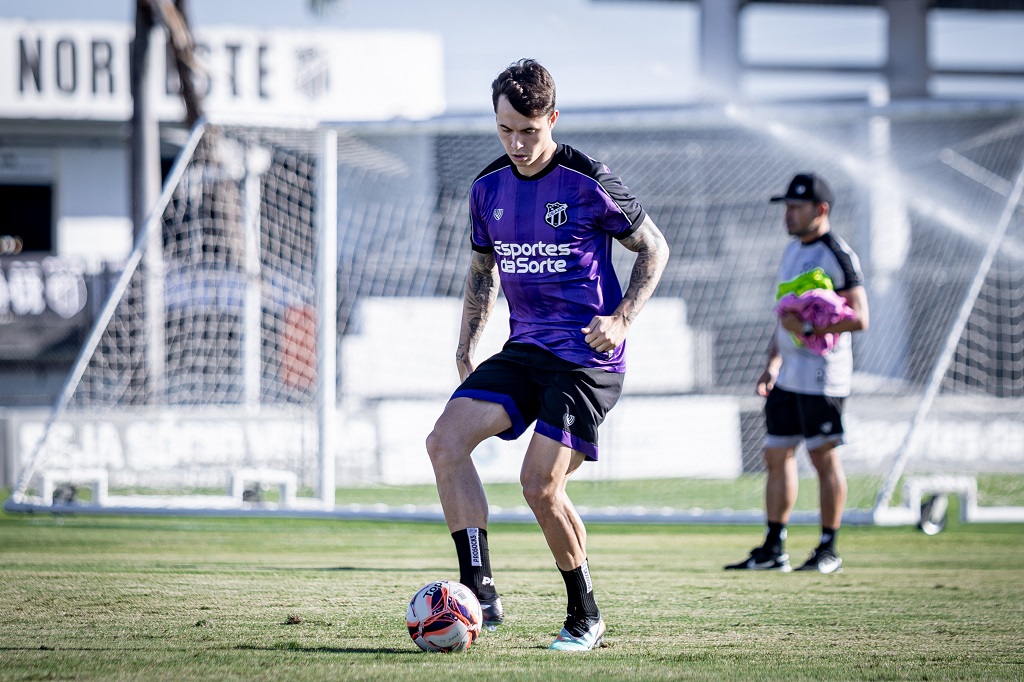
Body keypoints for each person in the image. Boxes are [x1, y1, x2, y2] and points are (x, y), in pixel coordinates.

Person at [425, 58, 669, 651]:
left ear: (551, 119)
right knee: (445, 442)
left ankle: (585, 613)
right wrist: (466, 348)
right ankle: (477, 588)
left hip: (586, 359)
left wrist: (622, 319)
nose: (517, 143)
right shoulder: (487, 188)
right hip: (526, 350)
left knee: (539, 484)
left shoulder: (586, 180)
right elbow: (482, 270)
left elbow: (654, 248)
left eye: (529, 131)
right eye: (506, 129)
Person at [725, 172, 869, 575]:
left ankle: (828, 548)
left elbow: (860, 318)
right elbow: (783, 316)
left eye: (796, 207)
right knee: (776, 453)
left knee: (822, 458)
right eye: (786, 206)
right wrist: (773, 363)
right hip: (789, 374)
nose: (787, 214)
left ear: (820, 210)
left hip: (825, 375)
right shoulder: (792, 250)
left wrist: (808, 331)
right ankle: (774, 547)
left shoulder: (837, 253)